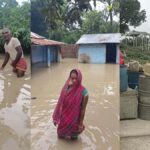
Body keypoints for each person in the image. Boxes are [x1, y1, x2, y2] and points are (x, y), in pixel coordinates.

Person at [52, 69, 89, 140]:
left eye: (76, 78)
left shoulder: (84, 92)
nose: (74, 80)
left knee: (74, 138)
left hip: (74, 120)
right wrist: (56, 117)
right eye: (72, 78)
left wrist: (80, 124)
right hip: (63, 118)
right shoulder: (66, 87)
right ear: (69, 78)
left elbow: (83, 110)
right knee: (60, 136)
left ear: (80, 78)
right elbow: (60, 103)